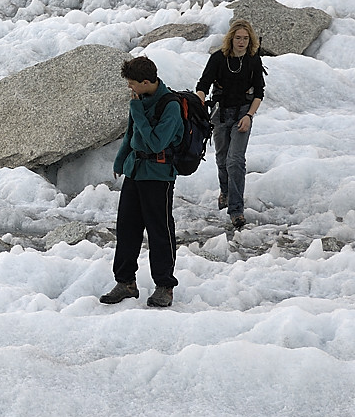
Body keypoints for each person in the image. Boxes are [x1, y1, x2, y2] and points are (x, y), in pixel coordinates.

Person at [100, 56, 184, 308]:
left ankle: (164, 286)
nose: (130, 87)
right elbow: (131, 133)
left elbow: (156, 142)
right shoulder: (140, 98)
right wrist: (120, 160)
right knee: (127, 227)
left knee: (160, 231)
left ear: (146, 81)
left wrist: (137, 112)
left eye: (132, 83)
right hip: (135, 172)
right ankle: (125, 282)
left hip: (158, 176)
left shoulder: (170, 106)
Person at [195, 19, 265, 229]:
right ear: (231, 38)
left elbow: (260, 93)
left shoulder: (253, 60)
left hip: (243, 113)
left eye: (245, 38)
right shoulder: (218, 58)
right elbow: (203, 85)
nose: (241, 42)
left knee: (236, 160)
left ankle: (236, 210)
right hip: (220, 113)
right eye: (238, 38)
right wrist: (199, 103)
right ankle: (225, 191)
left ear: (250, 40)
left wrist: (249, 116)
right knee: (222, 158)